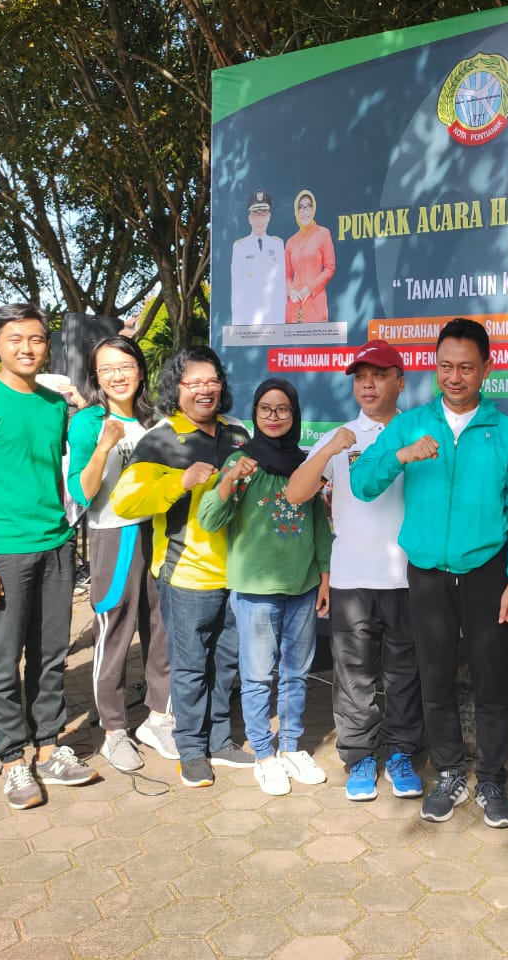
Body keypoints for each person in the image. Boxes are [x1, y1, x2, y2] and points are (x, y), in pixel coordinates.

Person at [351, 318, 508, 828]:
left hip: (487, 572)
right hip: (427, 571)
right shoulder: (410, 425)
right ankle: (450, 772)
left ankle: (492, 780)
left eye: (467, 368)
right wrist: (400, 456)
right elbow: (363, 481)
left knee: (491, 679)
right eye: (446, 366)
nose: (455, 377)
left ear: (486, 370)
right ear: (435, 367)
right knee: (434, 679)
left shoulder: (507, 432)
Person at [0, 303, 96, 810]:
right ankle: (12, 758)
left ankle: (51, 744)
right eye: (15, 339)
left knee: (50, 656)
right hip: (2, 551)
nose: (26, 348)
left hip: (55, 544)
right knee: (1, 659)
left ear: (46, 346)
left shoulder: (54, 405)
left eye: (35, 339)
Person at [285, 340, 424, 802]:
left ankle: (402, 752)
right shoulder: (341, 435)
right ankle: (360, 756)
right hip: (351, 578)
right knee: (354, 676)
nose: (368, 384)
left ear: (399, 381)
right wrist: (327, 453)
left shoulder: (418, 430)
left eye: (380, 375)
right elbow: (295, 494)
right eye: (361, 376)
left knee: (405, 673)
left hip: (408, 575)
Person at [110, 346, 253, 789]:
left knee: (225, 665)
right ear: (177, 388)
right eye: (194, 382)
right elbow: (125, 501)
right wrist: (180, 480)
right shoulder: (160, 438)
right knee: (189, 668)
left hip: (239, 573)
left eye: (212, 380)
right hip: (186, 574)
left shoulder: (237, 433)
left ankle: (220, 740)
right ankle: (190, 749)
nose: (205, 389)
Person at [198, 378, 332, 796]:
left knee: (296, 673)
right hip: (255, 589)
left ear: (294, 416)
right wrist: (229, 480)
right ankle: (264, 754)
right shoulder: (242, 463)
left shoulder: (305, 464)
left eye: (283, 410)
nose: (274, 418)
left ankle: (291, 746)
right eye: (265, 410)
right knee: (257, 677)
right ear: (255, 415)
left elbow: (320, 528)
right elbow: (209, 519)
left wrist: (326, 577)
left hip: (303, 585)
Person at [65, 336, 170, 774]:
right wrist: (105, 444)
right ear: (96, 377)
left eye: (125, 365)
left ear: (140, 370)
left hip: (161, 535)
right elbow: (81, 492)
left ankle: (160, 718)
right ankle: (114, 731)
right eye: (106, 369)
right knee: (114, 633)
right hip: (115, 537)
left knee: (162, 629)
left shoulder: (160, 420)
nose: (117, 375)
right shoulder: (88, 421)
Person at [230, 189, 286, 326]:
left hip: (273, 316)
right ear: (250, 219)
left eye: (263, 214)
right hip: (249, 317)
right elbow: (237, 288)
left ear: (269, 217)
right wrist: (238, 323)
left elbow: (281, 286)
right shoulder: (240, 247)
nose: (259, 219)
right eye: (255, 214)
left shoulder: (278, 244)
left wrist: (281, 321)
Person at [284, 189, 335, 324]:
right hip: (294, 307)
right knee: (293, 345)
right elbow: (287, 276)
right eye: (301, 207)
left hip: (315, 303)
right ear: (296, 210)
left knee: (316, 344)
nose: (305, 211)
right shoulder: (290, 242)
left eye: (308, 206)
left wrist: (310, 288)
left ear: (313, 209)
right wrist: (290, 291)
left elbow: (330, 268)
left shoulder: (323, 233)